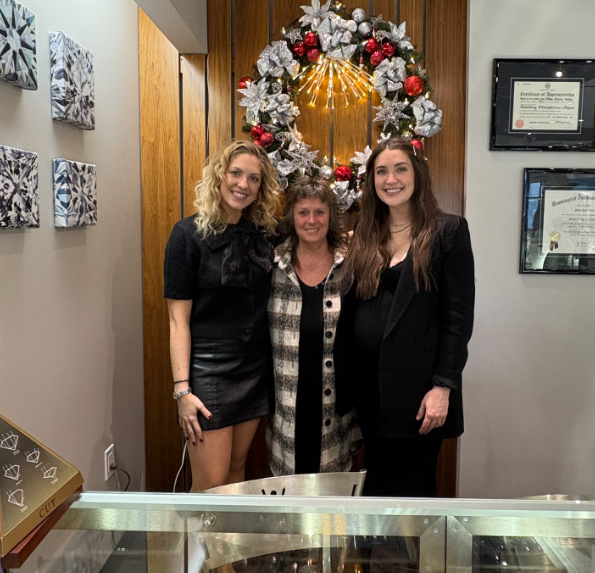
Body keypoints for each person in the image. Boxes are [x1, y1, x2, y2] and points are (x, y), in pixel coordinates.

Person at [336, 137, 475, 497]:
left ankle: (411, 542)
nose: (391, 179)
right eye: (381, 171)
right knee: (377, 486)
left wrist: (442, 387)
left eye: (400, 169)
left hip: (419, 392)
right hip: (370, 388)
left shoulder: (447, 231)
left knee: (414, 491)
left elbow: (457, 319)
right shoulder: (366, 233)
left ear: (417, 175)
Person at [164, 139, 281, 492]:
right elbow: (177, 322)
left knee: (236, 470)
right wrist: (182, 391)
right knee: (211, 485)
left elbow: (313, 233)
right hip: (209, 371)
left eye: (254, 178)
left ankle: (232, 534)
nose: (243, 184)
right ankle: (199, 535)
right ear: (219, 175)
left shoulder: (264, 235)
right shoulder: (187, 235)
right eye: (235, 173)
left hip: (254, 368)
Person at [267, 176, 360, 475]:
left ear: (331, 216)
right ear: (291, 217)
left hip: (336, 408)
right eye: (303, 212)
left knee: (333, 495)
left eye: (320, 212)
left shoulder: (351, 264)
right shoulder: (272, 265)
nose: (311, 220)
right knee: (289, 490)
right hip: (286, 406)